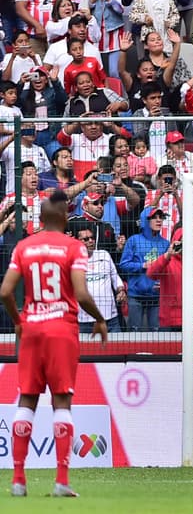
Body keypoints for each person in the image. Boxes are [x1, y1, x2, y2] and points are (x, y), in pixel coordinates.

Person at [0, 195, 109, 498]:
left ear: (41, 218)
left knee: (27, 400)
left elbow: (5, 291)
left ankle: (18, 480)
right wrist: (100, 319)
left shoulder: (24, 247)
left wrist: (19, 321)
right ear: (63, 218)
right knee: (61, 402)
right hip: (61, 329)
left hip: (32, 329)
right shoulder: (73, 247)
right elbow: (81, 294)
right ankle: (61, 480)